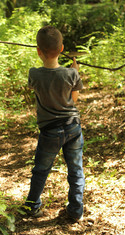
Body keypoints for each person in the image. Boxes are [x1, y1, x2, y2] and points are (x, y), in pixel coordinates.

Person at [23, 25, 85, 221]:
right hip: (73, 127)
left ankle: (32, 206)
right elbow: (73, 99)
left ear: (38, 51)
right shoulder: (71, 74)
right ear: (61, 49)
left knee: (41, 169)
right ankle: (76, 210)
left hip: (50, 131)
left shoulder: (34, 73)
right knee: (76, 170)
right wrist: (75, 71)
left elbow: (41, 89)